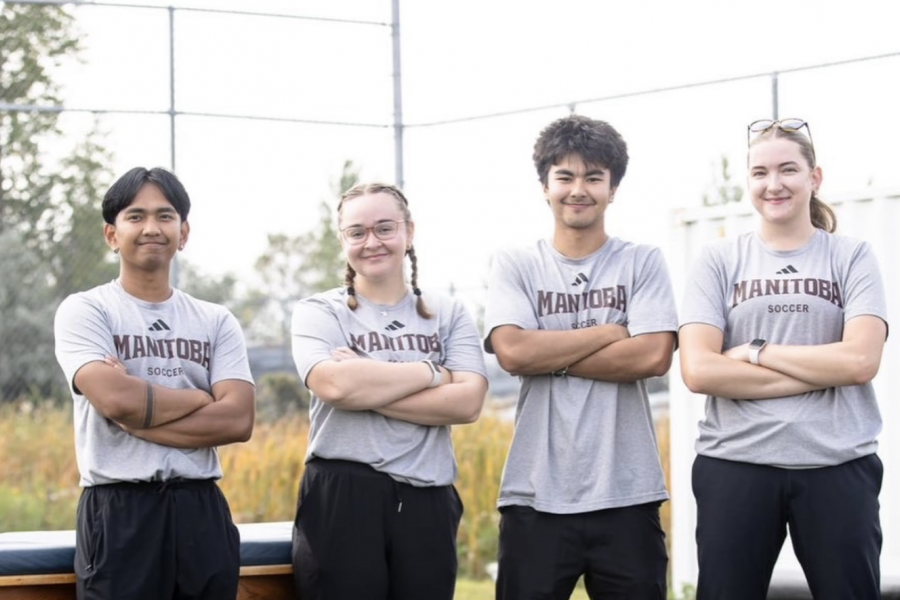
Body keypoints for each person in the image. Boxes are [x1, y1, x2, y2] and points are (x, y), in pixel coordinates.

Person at [679, 118, 888, 600]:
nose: (773, 184)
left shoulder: (851, 256)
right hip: (735, 463)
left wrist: (757, 352)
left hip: (837, 464)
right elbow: (700, 370)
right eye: (759, 172)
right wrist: (821, 371)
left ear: (814, 178)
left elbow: (860, 362)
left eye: (788, 170)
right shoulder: (718, 259)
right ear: (748, 181)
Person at [483, 114, 676, 599]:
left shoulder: (642, 261)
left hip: (627, 495)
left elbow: (653, 355)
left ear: (613, 189)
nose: (578, 189)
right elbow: (512, 351)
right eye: (565, 177)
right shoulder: (517, 264)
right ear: (544, 186)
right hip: (535, 497)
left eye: (593, 177)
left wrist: (548, 354)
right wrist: (612, 331)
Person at [53, 166, 256, 600]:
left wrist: (136, 416)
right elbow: (116, 400)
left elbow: (238, 420)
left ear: (183, 233)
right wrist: (202, 398)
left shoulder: (215, 319)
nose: (151, 228)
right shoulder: (86, 311)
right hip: (120, 512)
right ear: (112, 235)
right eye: (136, 216)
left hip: (201, 509)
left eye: (165, 216)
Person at [289, 182, 488, 600]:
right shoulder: (319, 311)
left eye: (384, 228)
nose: (371, 242)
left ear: (409, 232)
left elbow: (468, 402)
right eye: (357, 232)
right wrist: (433, 373)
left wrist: (369, 381)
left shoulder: (447, 313)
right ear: (342, 239)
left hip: (427, 497)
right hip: (343, 493)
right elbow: (335, 385)